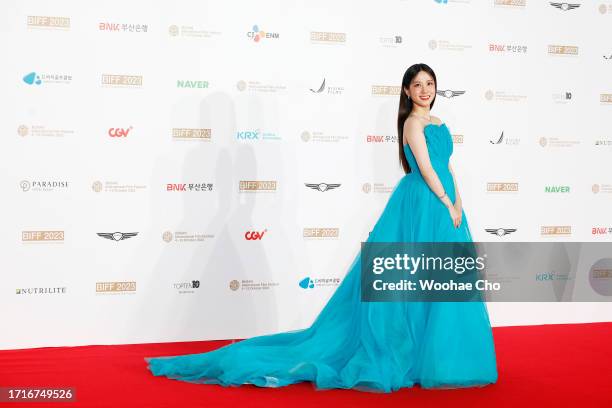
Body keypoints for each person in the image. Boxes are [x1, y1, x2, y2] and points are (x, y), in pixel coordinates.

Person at [145, 63, 498, 393]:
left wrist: (459, 202)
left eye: (429, 84)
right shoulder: (412, 125)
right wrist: (446, 200)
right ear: (406, 91)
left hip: (446, 206)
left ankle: (434, 355)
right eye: (417, 85)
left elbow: (447, 167)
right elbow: (424, 167)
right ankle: (408, 353)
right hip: (424, 203)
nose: (425, 90)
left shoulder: (438, 121)